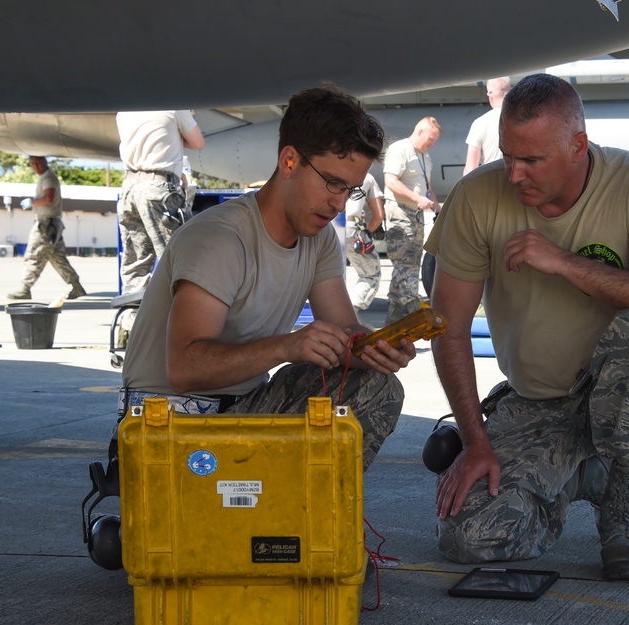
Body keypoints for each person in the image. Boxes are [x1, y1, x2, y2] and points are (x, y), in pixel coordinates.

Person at [424, 74, 629, 582]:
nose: (514, 174)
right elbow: (449, 328)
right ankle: (578, 473)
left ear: (578, 147)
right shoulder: (477, 197)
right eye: (508, 155)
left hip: (626, 387)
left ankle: (623, 507)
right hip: (536, 402)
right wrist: (475, 442)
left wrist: (567, 264)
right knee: (470, 537)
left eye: (532, 161)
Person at [120, 84, 415, 472]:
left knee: (377, 386)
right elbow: (184, 370)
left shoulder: (320, 239)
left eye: (350, 189)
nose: (339, 203)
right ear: (289, 161)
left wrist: (377, 348)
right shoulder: (220, 239)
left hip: (242, 408)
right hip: (169, 424)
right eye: (331, 182)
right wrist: (287, 347)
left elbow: (344, 333)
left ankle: (295, 515)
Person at [115, 110, 206, 344]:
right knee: (179, 261)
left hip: (129, 189)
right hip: (159, 190)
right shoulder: (174, 107)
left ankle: (129, 334)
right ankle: (185, 334)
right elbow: (198, 142)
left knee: (135, 264)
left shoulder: (124, 110)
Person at [383, 117, 442, 324]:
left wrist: (437, 208)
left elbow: (428, 188)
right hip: (400, 213)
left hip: (415, 215)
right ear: (419, 132)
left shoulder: (424, 156)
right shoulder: (401, 150)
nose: (432, 144)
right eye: (431, 139)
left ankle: (395, 319)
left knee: (412, 264)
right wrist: (418, 199)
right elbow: (390, 181)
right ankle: (410, 308)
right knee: (405, 264)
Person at [7, 157, 86, 300]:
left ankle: (25, 287)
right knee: (57, 257)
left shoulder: (48, 178)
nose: (35, 166)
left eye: (37, 162)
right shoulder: (46, 177)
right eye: (32, 163)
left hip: (46, 224)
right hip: (52, 224)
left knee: (34, 254)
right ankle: (76, 286)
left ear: (45, 162)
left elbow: (48, 198)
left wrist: (33, 202)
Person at [345, 172, 384, 310]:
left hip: (325, 226)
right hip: (350, 229)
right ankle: (349, 312)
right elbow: (378, 216)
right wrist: (366, 233)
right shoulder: (367, 177)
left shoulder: (328, 169)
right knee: (370, 275)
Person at [463, 76, 511, 175]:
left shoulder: (480, 123)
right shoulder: (524, 119)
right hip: (519, 185)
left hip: (491, 185)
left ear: (490, 95)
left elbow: (471, 169)